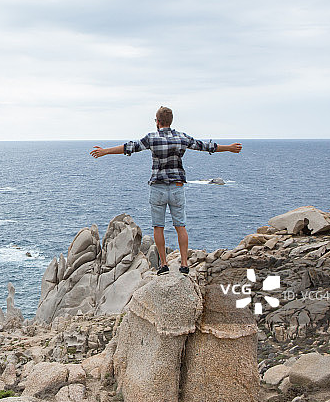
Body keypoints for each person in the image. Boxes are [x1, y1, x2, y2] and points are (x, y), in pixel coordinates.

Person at [90, 105, 242, 275]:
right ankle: (184, 264)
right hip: (177, 187)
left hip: (158, 187)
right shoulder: (181, 137)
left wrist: (105, 152)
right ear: (171, 121)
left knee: (158, 227)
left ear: (157, 122)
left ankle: (163, 265)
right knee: (180, 226)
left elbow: (129, 147)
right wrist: (229, 147)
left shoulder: (152, 138)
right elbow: (205, 146)